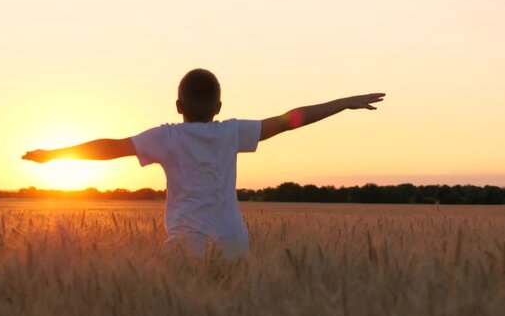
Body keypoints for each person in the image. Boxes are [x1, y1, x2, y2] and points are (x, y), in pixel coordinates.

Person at [22, 69, 385, 258]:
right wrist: (343, 102)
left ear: (178, 106)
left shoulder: (165, 138)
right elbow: (290, 119)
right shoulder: (232, 133)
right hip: (234, 243)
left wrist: (54, 155)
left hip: (187, 247)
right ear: (219, 108)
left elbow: (108, 148)